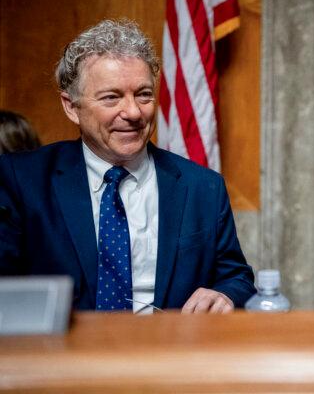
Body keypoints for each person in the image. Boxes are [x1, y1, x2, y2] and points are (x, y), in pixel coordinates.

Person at [0, 19, 256, 314]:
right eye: (112, 97)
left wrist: (224, 294)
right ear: (71, 106)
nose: (133, 112)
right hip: (64, 353)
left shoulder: (203, 186)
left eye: (144, 94)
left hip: (169, 353)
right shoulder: (22, 180)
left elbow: (236, 277)